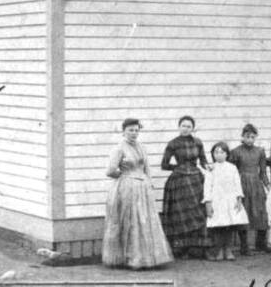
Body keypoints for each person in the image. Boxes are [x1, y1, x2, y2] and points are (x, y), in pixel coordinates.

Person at [102, 118, 173, 269]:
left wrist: (149, 183)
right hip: (127, 188)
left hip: (143, 188)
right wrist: (124, 176)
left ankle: (145, 258)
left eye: (136, 130)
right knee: (130, 220)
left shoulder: (141, 147)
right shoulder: (119, 148)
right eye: (130, 130)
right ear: (124, 131)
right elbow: (110, 171)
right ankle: (129, 258)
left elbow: (147, 167)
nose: (134, 133)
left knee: (144, 221)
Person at [160, 115, 209, 257]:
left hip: (195, 181)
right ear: (179, 126)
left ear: (193, 128)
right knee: (180, 215)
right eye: (183, 126)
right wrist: (179, 168)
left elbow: (203, 161)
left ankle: (197, 249)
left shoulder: (198, 142)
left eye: (189, 126)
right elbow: (164, 165)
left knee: (197, 212)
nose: (186, 129)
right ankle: (181, 249)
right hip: (179, 182)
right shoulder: (172, 144)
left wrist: (210, 170)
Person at [203, 141, 249, 261]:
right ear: (213, 154)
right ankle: (219, 250)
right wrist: (208, 203)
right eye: (216, 152)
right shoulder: (211, 168)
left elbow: (237, 184)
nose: (219, 155)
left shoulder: (232, 167)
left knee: (229, 226)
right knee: (218, 227)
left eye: (222, 152)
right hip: (216, 200)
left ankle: (228, 249)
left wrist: (239, 199)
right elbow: (207, 186)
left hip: (230, 200)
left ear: (227, 154)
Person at [228, 123, 270, 255]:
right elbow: (231, 172)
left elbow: (263, 171)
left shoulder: (260, 151)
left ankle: (261, 243)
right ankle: (244, 246)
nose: (250, 139)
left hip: (256, 184)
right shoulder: (235, 152)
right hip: (242, 184)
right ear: (242, 136)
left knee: (261, 212)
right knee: (244, 213)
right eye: (247, 137)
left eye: (253, 137)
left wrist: (268, 186)